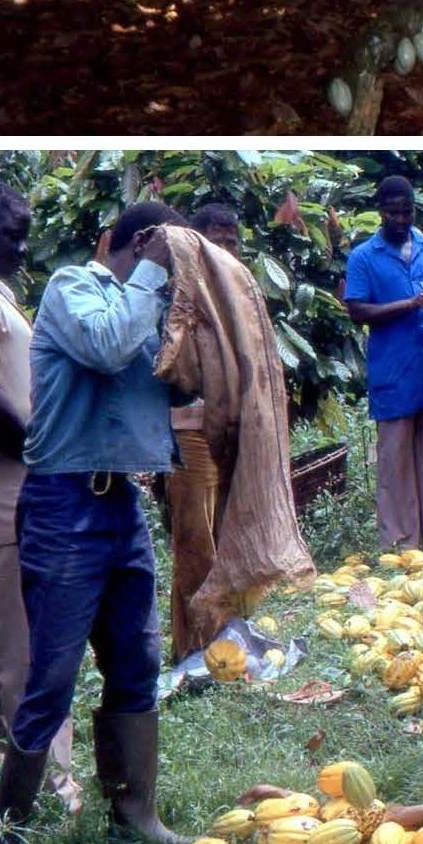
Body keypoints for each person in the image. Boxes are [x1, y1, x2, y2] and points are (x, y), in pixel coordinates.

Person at [0, 202, 190, 844]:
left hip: (119, 503)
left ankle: (135, 812)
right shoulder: (75, 288)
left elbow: (174, 381)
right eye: (154, 256)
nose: (160, 274)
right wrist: (156, 271)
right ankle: (7, 841)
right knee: (50, 675)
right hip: (64, 502)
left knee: (137, 658)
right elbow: (107, 345)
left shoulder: (148, 306)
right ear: (128, 245)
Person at [0, 179, 81, 818]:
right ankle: (49, 792)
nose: (21, 247)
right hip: (2, 503)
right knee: (27, 659)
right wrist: (48, 456)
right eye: (12, 235)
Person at [343, 176, 423, 552]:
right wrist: (407, 306)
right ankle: (400, 542)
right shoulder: (363, 256)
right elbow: (357, 309)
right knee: (394, 462)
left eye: (406, 211)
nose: (400, 219)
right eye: (392, 213)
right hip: (392, 370)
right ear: (380, 212)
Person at [164, 202, 243, 661]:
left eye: (233, 240)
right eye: (218, 238)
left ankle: (219, 639)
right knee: (195, 541)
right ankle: (198, 648)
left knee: (224, 535)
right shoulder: (182, 291)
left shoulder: (236, 290)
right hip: (189, 430)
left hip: (227, 429)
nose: (227, 248)